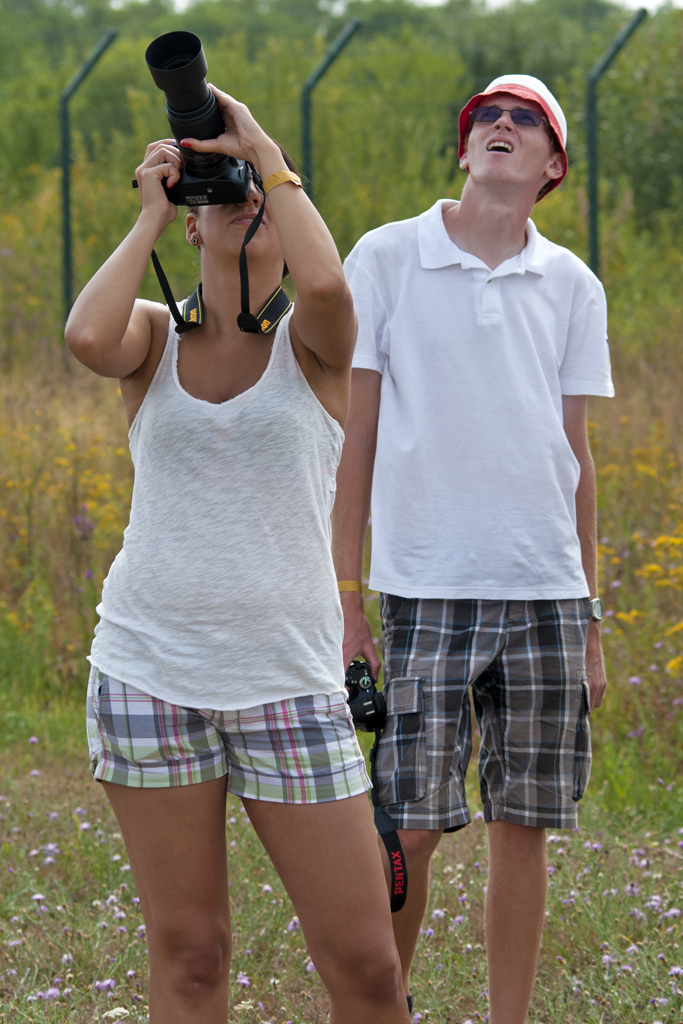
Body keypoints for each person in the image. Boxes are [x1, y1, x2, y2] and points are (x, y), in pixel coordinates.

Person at [66, 84, 410, 1024]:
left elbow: (331, 284)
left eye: (258, 194)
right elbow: (84, 336)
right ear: (189, 225)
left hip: (288, 682)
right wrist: (149, 209)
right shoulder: (149, 337)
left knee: (369, 969)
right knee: (190, 957)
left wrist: (259, 148)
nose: (243, 204)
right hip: (148, 672)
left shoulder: (316, 343)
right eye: (220, 195)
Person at [333, 74, 613, 1024]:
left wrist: (590, 620)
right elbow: (355, 443)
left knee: (522, 826)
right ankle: (383, 1008)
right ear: (463, 151)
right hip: (423, 586)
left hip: (545, 593)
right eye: (484, 118)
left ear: (551, 166)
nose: (499, 127)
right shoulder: (385, 258)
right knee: (408, 824)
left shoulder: (572, 284)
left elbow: (573, 454)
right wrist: (345, 602)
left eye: (523, 121)